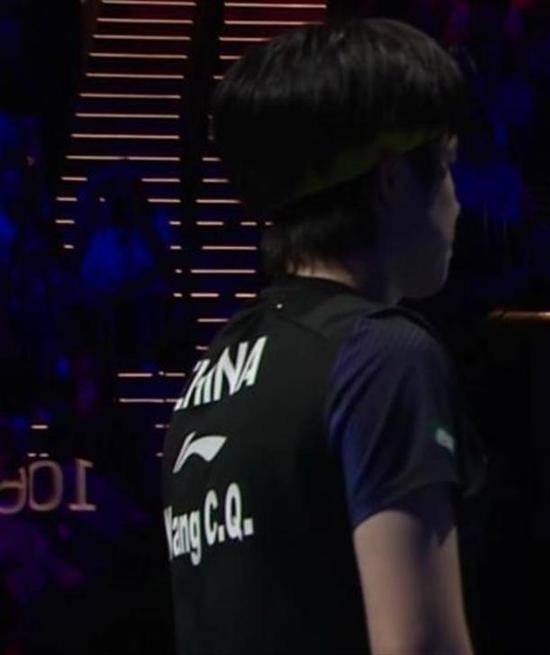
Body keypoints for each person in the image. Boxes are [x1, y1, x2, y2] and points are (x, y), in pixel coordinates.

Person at [161, 18, 480, 655]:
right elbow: (417, 645)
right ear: (392, 180)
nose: (458, 203)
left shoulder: (212, 376)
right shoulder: (384, 356)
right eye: (445, 167)